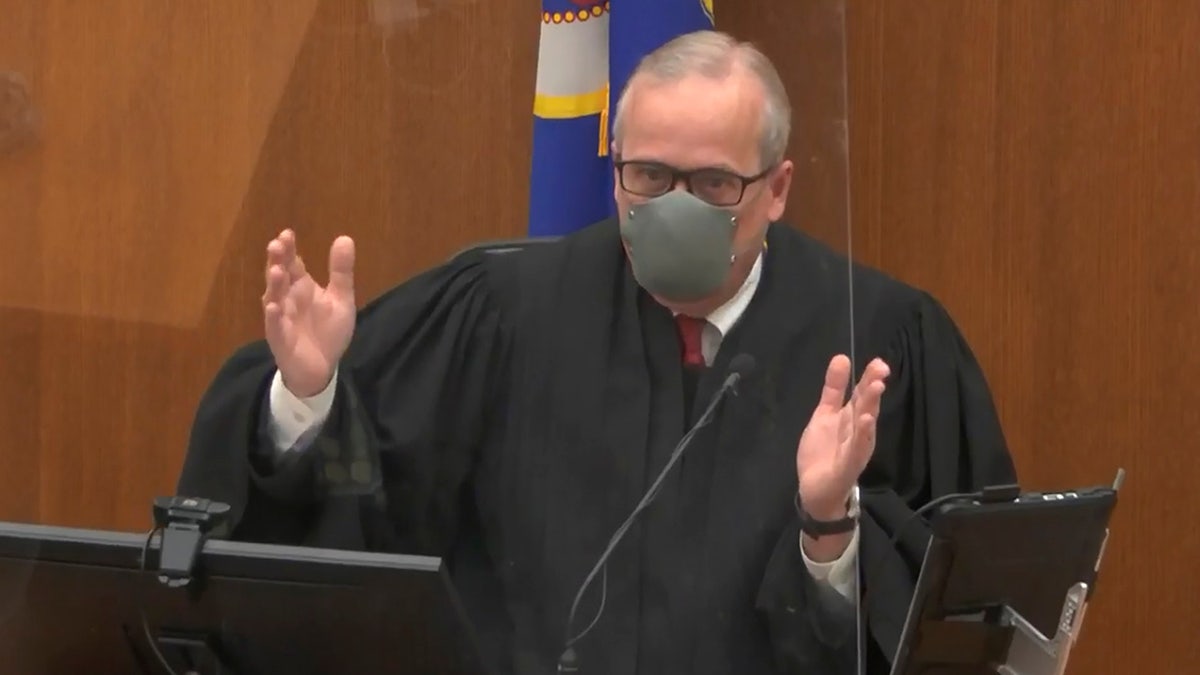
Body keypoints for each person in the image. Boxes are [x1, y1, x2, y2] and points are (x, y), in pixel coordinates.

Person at [178, 30, 1016, 675]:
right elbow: (364, 517)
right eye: (649, 176)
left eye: (715, 185)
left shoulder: (875, 341)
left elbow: (961, 617)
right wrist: (309, 394)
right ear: (614, 169)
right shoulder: (504, 311)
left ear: (779, 188)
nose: (675, 207)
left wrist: (828, 535)